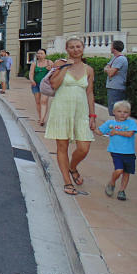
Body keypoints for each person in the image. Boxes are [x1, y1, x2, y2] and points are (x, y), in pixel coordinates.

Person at [45, 37, 96, 196]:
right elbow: (54, 84)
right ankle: (67, 181)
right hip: (62, 110)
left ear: (83, 48)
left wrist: (92, 115)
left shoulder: (88, 69)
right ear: (67, 49)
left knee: (84, 148)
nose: (76, 49)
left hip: (80, 113)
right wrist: (65, 67)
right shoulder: (60, 64)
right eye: (72, 47)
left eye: (78, 46)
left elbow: (89, 93)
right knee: (62, 147)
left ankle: (72, 167)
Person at [94, 100, 137, 201]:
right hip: (116, 151)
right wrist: (92, 127)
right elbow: (100, 132)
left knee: (126, 173)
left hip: (129, 152)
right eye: (119, 111)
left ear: (129, 113)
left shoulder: (131, 123)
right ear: (114, 112)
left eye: (125, 112)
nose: (122, 114)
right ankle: (112, 183)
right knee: (119, 170)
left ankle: (122, 191)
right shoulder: (110, 123)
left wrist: (116, 132)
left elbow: (130, 134)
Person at [28, 49, 53, 126]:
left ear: (45, 55)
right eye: (38, 53)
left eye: (41, 53)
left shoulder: (49, 62)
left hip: (46, 85)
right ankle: (40, 117)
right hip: (36, 84)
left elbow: (55, 72)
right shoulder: (34, 63)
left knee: (44, 101)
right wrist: (32, 80)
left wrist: (50, 69)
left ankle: (42, 119)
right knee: (38, 101)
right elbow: (31, 73)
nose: (39, 55)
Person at [104, 40, 128, 116]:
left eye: (111, 46)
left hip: (116, 89)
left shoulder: (121, 59)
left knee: (115, 112)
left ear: (114, 48)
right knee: (113, 110)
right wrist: (109, 69)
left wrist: (110, 70)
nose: (110, 47)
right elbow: (106, 68)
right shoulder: (115, 58)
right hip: (113, 88)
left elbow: (111, 73)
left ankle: (117, 127)